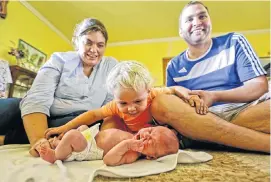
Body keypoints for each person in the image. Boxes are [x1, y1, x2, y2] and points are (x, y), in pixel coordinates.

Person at [149, 1, 270, 153]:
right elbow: (171, 108)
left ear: (210, 21)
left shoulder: (234, 41)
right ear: (180, 31)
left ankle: (199, 138)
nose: (197, 22)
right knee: (160, 103)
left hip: (245, 108)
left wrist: (214, 96)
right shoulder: (173, 66)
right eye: (189, 19)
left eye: (202, 16)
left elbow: (260, 86)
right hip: (201, 115)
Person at [0, 18, 118, 157]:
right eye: (88, 42)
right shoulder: (59, 60)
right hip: (40, 113)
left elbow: (110, 109)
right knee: (11, 107)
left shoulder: (111, 66)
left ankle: (6, 138)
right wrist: (38, 141)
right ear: (77, 41)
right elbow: (37, 98)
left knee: (89, 126)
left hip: (74, 121)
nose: (94, 50)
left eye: (100, 45)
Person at [44, 61, 206, 139]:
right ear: (115, 97)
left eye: (137, 101)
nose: (131, 108)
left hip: (165, 131)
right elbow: (93, 115)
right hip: (134, 136)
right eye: (123, 103)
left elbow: (174, 88)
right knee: (106, 135)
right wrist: (64, 127)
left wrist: (188, 95)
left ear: (147, 91)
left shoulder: (152, 93)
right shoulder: (114, 106)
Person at [40, 123, 179, 166]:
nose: (146, 135)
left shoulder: (132, 154)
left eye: (151, 142)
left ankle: (55, 155)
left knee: (72, 135)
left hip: (90, 148)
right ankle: (60, 144)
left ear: (151, 157)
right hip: (92, 136)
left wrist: (126, 145)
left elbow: (108, 160)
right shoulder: (132, 135)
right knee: (82, 128)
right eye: (149, 130)